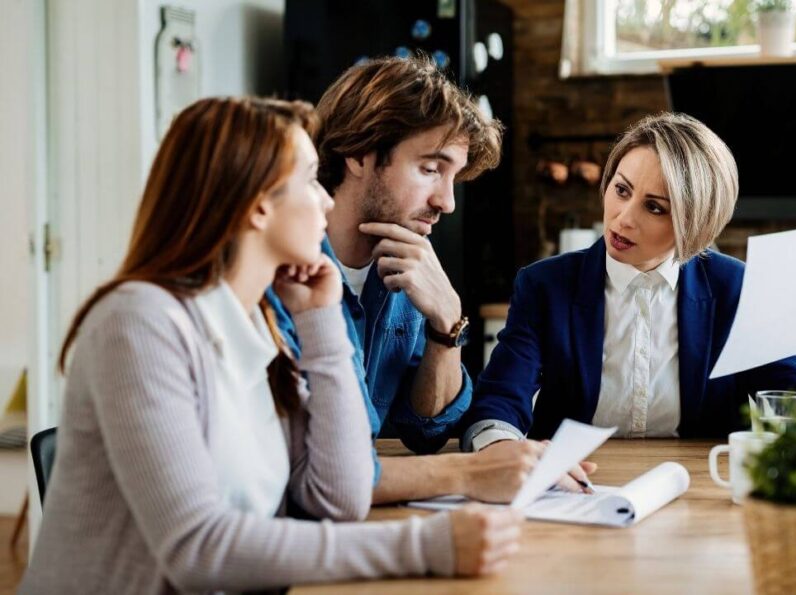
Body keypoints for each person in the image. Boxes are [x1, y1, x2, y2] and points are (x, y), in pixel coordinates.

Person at [19, 97, 521, 595]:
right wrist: (423, 546)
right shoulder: (140, 323)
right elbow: (196, 548)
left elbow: (339, 494)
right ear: (258, 203)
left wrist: (321, 320)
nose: (325, 200)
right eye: (308, 179)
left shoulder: (261, 319)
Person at [461, 112, 796, 450]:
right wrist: (504, 453)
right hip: (571, 485)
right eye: (621, 189)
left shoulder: (733, 288)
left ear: (697, 225)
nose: (623, 218)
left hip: (695, 487)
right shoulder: (544, 285)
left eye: (655, 207)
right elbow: (497, 404)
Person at [268, 56, 593, 504]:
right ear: (360, 153)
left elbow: (427, 430)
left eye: (453, 177)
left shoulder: (407, 268)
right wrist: (474, 470)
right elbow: (317, 466)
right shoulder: (279, 274)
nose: (447, 202)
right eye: (430, 169)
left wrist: (447, 324)